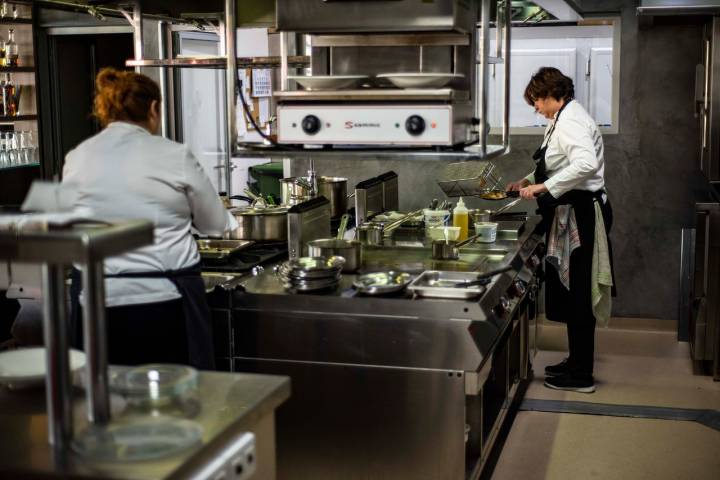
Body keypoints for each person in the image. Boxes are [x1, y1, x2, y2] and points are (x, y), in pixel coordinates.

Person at [62, 67, 238, 369]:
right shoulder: (173, 154)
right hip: (165, 302)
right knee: (177, 400)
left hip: (94, 303)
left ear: (107, 111)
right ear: (154, 109)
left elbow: (67, 223)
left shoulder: (78, 156)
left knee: (105, 400)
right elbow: (214, 224)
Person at [507, 67, 614, 393]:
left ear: (552, 94)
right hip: (573, 211)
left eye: (536, 101)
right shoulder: (562, 118)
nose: (535, 108)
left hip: (581, 213)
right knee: (570, 289)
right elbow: (556, 162)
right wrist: (529, 180)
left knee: (579, 292)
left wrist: (542, 188)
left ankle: (581, 376)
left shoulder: (570, 122)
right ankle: (575, 361)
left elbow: (585, 165)